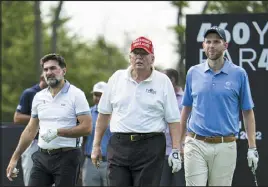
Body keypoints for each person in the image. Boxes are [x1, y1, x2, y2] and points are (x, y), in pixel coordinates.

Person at [91, 36, 182, 186]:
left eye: (144, 53)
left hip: (150, 146)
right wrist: (96, 146)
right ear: (130, 57)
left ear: (152, 58)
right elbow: (103, 114)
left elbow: (173, 119)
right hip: (119, 144)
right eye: (136, 53)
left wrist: (176, 149)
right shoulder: (116, 78)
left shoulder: (162, 81)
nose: (139, 57)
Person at [180, 26, 259, 186]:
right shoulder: (193, 72)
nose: (211, 45)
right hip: (196, 143)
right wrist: (178, 145)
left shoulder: (239, 74)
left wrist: (252, 147)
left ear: (225, 45)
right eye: (208, 41)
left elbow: (247, 112)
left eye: (216, 41)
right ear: (203, 45)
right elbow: (186, 109)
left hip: (226, 144)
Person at [6, 53, 92, 186]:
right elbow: (30, 130)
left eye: (53, 68)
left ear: (64, 70)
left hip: (67, 156)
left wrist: (59, 132)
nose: (49, 72)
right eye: (46, 69)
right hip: (42, 156)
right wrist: (14, 158)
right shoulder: (38, 97)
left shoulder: (76, 95)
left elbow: (87, 128)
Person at [13, 73, 48, 186]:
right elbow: (17, 118)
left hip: (50, 144)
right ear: (42, 78)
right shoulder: (30, 93)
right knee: (31, 181)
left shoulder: (55, 95)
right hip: (33, 143)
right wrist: (39, 118)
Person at [82, 81, 112, 186]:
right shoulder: (87, 114)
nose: (98, 98)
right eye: (96, 95)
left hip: (110, 162)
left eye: (101, 95)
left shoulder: (114, 115)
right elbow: (83, 140)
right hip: (90, 162)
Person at [160, 68, 185, 186]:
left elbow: (189, 125)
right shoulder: (159, 97)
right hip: (161, 152)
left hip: (180, 152)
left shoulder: (185, 99)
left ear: (172, 80)